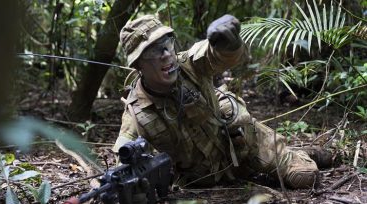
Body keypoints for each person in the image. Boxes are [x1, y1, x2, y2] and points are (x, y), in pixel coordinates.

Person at [113, 14, 319, 190]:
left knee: (304, 177)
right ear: (138, 64)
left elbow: (215, 55)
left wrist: (227, 42)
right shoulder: (137, 114)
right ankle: (304, 153)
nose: (166, 54)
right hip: (207, 180)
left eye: (167, 43)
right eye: (152, 51)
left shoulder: (190, 65)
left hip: (244, 146)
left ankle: (303, 154)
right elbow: (123, 164)